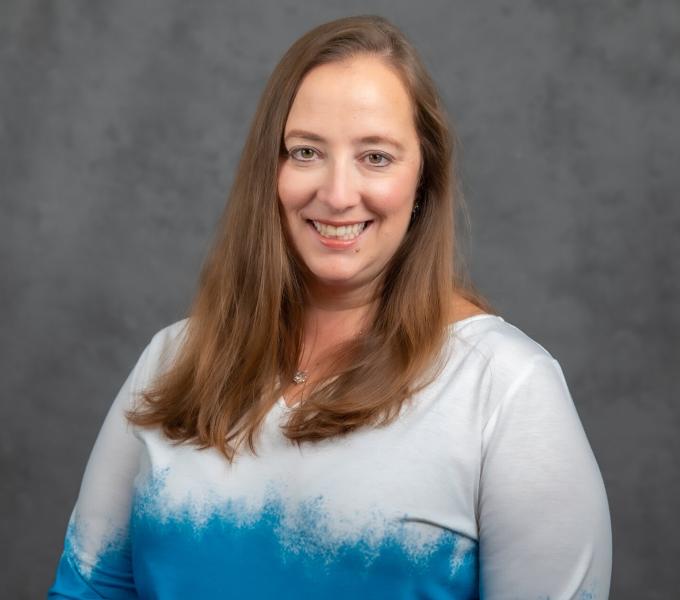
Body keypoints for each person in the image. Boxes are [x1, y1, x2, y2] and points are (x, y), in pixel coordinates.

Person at [48, 14, 612, 599]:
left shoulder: (507, 389)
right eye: (307, 151)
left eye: (376, 157)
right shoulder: (173, 360)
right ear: (271, 170)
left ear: (424, 177)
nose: (338, 195)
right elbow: (88, 592)